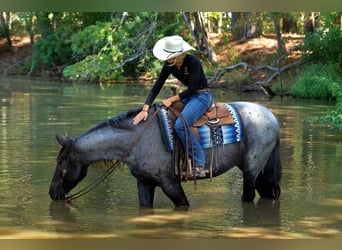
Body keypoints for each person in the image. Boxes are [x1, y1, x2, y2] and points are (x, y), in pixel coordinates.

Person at [133, 35, 212, 177]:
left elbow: (193, 88)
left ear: (179, 55)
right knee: (164, 116)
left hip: (201, 96)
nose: (166, 59)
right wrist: (145, 108)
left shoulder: (193, 62)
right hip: (188, 97)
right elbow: (156, 87)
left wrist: (172, 99)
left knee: (180, 125)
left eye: (170, 56)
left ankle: (200, 163)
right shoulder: (169, 65)